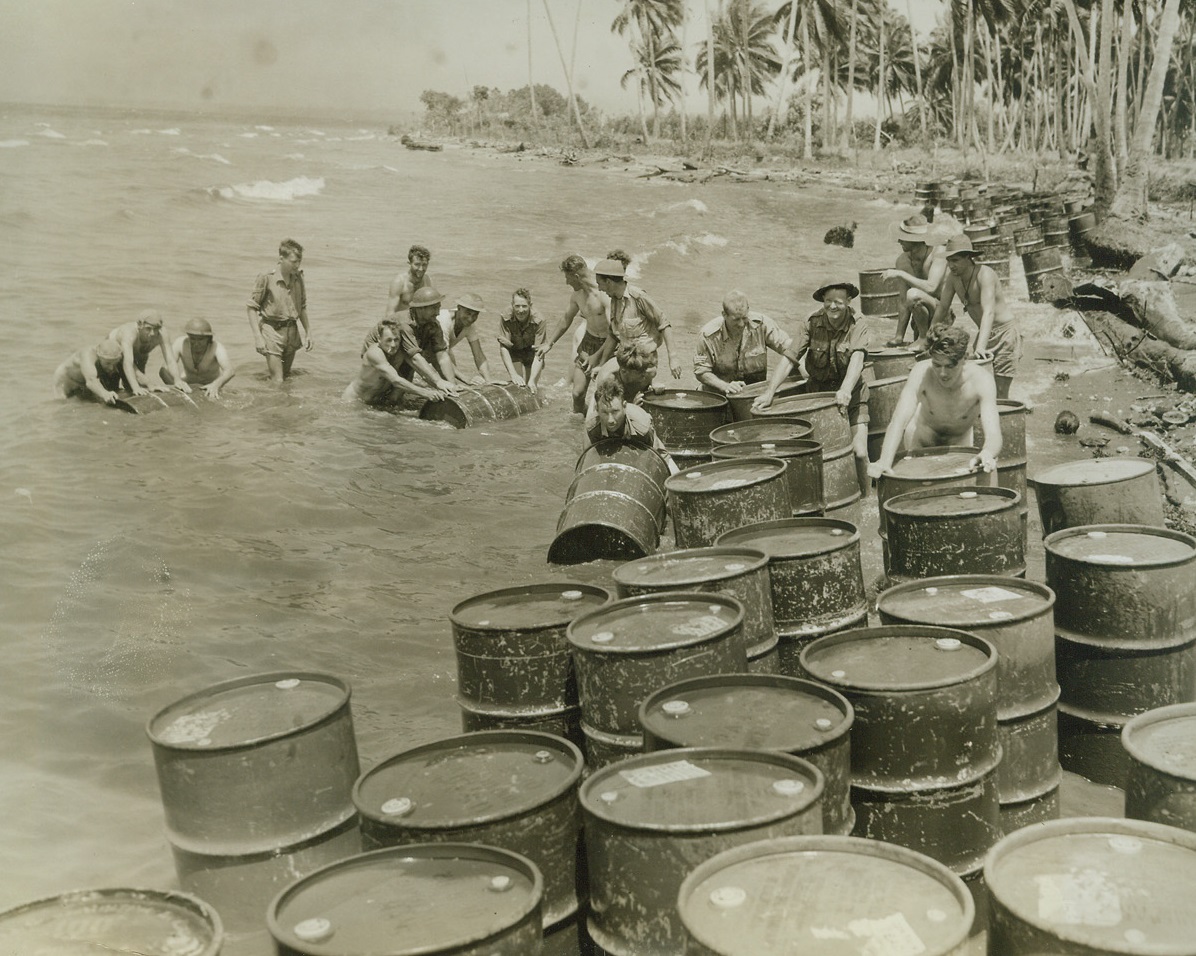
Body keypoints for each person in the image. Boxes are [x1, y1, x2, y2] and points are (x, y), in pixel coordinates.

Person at [754, 280, 872, 496]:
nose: (832, 307)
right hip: (818, 397)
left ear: (848, 301)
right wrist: (770, 392)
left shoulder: (858, 323)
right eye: (828, 301)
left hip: (853, 394)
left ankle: (866, 499)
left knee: (860, 452)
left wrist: (845, 390)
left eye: (838, 302)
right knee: (819, 454)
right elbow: (790, 358)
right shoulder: (811, 322)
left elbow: (857, 359)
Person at [867, 326, 1003, 480]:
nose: (943, 373)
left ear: (965, 358)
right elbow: (898, 420)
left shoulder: (982, 381)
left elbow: (993, 433)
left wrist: (987, 452)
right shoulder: (921, 372)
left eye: (950, 366)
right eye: (937, 365)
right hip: (921, 439)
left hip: (959, 444)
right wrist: (884, 461)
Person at [931, 233, 1021, 399]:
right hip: (984, 333)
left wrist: (980, 347)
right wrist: (929, 338)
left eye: (955, 260)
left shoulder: (985, 274)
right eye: (949, 261)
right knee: (979, 388)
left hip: (1005, 334)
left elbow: (989, 312)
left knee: (1000, 392)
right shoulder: (953, 278)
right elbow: (943, 308)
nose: (951, 265)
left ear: (968, 257)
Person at [538, 254, 611, 413]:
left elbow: (614, 332)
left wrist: (597, 356)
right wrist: (549, 343)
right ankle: (580, 422)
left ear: (577, 277)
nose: (567, 282)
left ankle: (598, 421)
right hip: (588, 344)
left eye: (568, 278)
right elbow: (566, 318)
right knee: (577, 394)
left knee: (606, 395)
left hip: (609, 346)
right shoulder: (577, 295)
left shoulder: (604, 294)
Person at [593, 257, 682, 384]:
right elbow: (613, 336)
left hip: (644, 363)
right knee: (603, 380)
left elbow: (664, 324)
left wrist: (673, 358)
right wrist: (601, 365)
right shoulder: (614, 300)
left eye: (599, 283)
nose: (599, 288)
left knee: (611, 383)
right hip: (626, 361)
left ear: (608, 282)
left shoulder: (638, 297)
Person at [694, 290, 796, 396]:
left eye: (744, 318)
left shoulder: (762, 325)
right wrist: (725, 386)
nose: (742, 324)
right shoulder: (708, 336)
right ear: (724, 315)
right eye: (736, 319)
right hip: (718, 395)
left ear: (748, 309)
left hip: (752, 394)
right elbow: (701, 372)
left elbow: (791, 349)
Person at [246, 238, 312, 384]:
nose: (297, 265)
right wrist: (258, 338)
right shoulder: (266, 277)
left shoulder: (298, 277)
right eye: (293, 262)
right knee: (278, 380)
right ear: (281, 258)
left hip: (292, 331)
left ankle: (270, 395)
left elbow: (302, 307)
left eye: (299, 261)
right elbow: (251, 308)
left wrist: (308, 332)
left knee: (286, 376)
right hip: (272, 331)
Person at [585, 376, 678, 473]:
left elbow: (657, 457)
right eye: (604, 412)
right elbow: (599, 457)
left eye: (615, 411)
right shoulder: (592, 427)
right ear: (597, 410)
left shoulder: (642, 427)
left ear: (624, 406)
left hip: (639, 441)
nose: (610, 420)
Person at [342, 324, 448, 407]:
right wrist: (426, 393)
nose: (393, 345)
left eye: (396, 339)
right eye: (388, 340)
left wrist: (443, 387)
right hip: (355, 402)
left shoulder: (400, 351)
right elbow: (395, 380)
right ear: (379, 339)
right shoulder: (374, 353)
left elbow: (421, 370)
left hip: (376, 403)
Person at [882, 214, 948, 349]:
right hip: (919, 320)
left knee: (913, 294)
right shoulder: (902, 261)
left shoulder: (939, 253)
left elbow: (931, 287)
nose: (899, 241)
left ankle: (923, 338)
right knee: (910, 295)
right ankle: (921, 337)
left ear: (914, 239)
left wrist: (901, 274)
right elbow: (903, 301)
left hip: (942, 316)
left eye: (903, 238)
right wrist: (899, 336)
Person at [108, 309, 190, 396]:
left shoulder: (162, 334)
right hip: (112, 355)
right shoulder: (129, 333)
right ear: (139, 325)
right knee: (112, 388)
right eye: (148, 328)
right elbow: (127, 363)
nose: (152, 333)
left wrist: (177, 380)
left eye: (156, 329)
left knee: (139, 388)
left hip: (138, 356)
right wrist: (136, 387)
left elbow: (170, 361)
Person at [161, 318, 236, 399]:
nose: (196, 343)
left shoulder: (216, 347)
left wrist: (216, 385)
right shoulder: (180, 343)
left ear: (208, 338)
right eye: (192, 339)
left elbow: (230, 371)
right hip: (187, 383)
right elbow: (163, 370)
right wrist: (176, 383)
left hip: (210, 385)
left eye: (200, 339)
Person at [438, 292, 498, 386]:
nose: (470, 319)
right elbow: (441, 356)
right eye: (468, 313)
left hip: (445, 351)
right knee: (446, 384)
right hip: (428, 352)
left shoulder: (470, 327)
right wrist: (466, 379)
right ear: (459, 308)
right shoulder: (443, 320)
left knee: (453, 383)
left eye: (475, 315)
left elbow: (478, 355)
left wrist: (488, 380)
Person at [496, 288, 546, 391]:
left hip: (531, 352)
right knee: (518, 386)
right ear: (512, 305)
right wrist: (513, 374)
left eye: (524, 306)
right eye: (517, 306)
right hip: (514, 349)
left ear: (530, 305)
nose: (521, 310)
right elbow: (504, 348)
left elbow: (539, 354)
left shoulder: (540, 320)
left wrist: (532, 380)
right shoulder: (505, 316)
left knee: (531, 387)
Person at [53, 339, 130, 404]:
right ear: (98, 355)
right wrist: (105, 394)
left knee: (90, 405)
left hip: (83, 382)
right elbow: (91, 380)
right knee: (63, 405)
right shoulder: (88, 354)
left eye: (115, 363)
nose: (111, 368)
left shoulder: (118, 355)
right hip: (67, 380)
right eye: (108, 363)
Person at [386, 244, 433, 318]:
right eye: (417, 264)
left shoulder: (428, 280)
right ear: (409, 263)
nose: (421, 269)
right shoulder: (399, 282)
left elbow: (431, 307)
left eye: (424, 265)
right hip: (401, 321)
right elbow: (390, 312)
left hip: (419, 322)